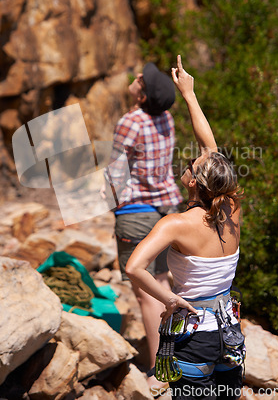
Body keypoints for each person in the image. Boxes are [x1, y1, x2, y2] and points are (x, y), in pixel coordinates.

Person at [126, 55, 244, 399]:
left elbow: (134, 267)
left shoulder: (175, 224)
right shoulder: (232, 206)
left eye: (191, 164)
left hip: (194, 336)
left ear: (193, 183)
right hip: (229, 328)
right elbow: (212, 149)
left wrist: (170, 299)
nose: (190, 161)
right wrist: (189, 94)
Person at [103, 62, 183, 388]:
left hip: (136, 214)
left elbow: (115, 172)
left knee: (146, 295)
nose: (135, 79)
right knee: (161, 282)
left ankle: (158, 370)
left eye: (140, 80)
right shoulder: (166, 117)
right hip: (167, 210)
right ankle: (175, 355)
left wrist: (113, 206)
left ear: (143, 94)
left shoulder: (130, 120)